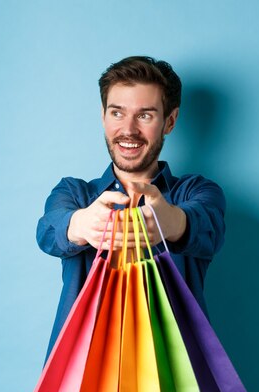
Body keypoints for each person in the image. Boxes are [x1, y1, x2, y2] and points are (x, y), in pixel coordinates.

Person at [36, 56, 226, 358]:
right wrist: (81, 224)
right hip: (82, 373)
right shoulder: (74, 193)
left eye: (145, 115)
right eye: (117, 113)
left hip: (176, 381)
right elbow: (49, 228)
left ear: (170, 121)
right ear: (103, 116)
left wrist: (171, 222)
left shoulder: (196, 191)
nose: (128, 129)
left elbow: (205, 224)